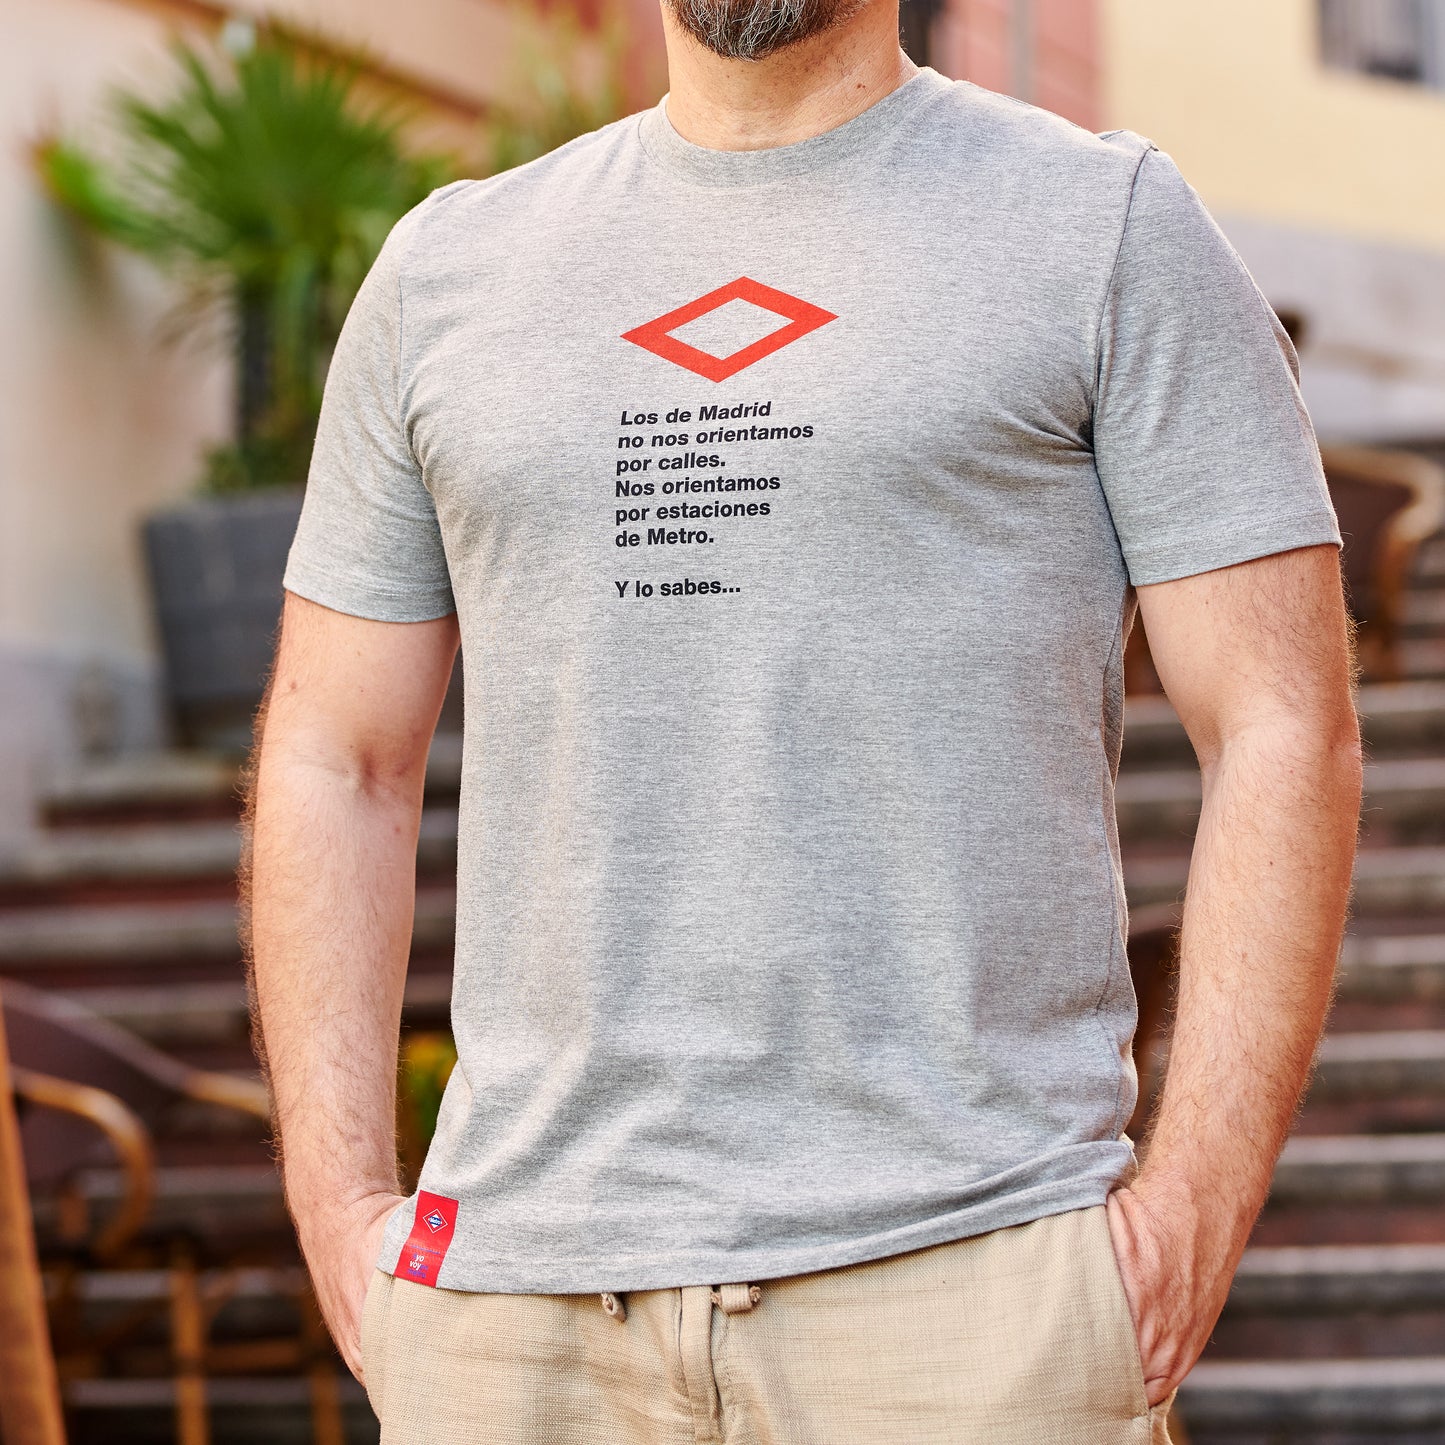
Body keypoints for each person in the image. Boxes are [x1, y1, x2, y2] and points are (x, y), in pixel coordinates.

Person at [242, 0, 1363, 1436]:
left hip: (969, 1297)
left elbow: (1283, 719)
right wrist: (344, 1218)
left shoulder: (1104, 228)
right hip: (518, 1317)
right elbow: (336, 756)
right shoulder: (447, 268)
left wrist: (1186, 1214)